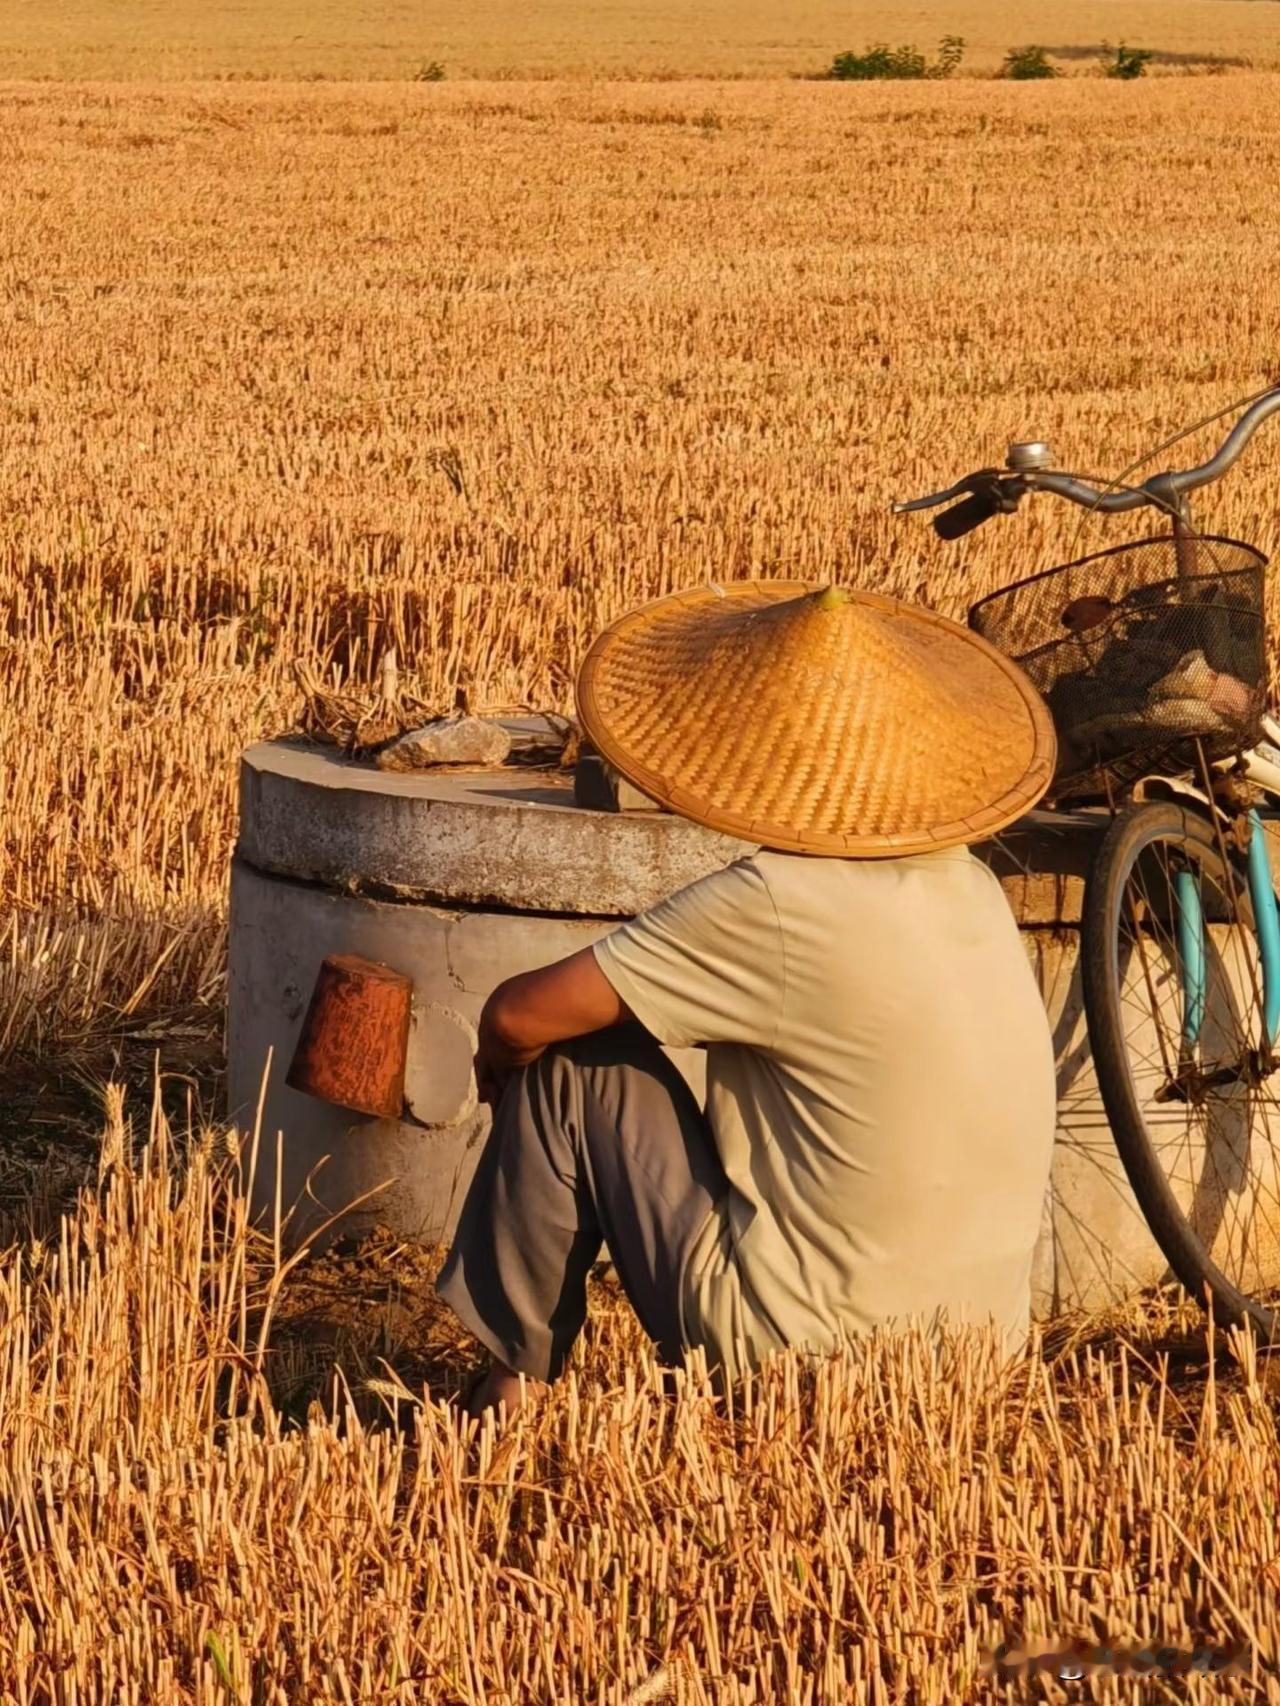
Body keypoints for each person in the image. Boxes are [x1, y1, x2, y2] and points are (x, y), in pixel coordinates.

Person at [436, 580, 1060, 1419]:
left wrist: (498, 1068)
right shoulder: (975, 886)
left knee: (570, 1061)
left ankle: (511, 1385)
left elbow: (519, 1013)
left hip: (803, 1351)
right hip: (976, 1355)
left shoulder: (772, 900)